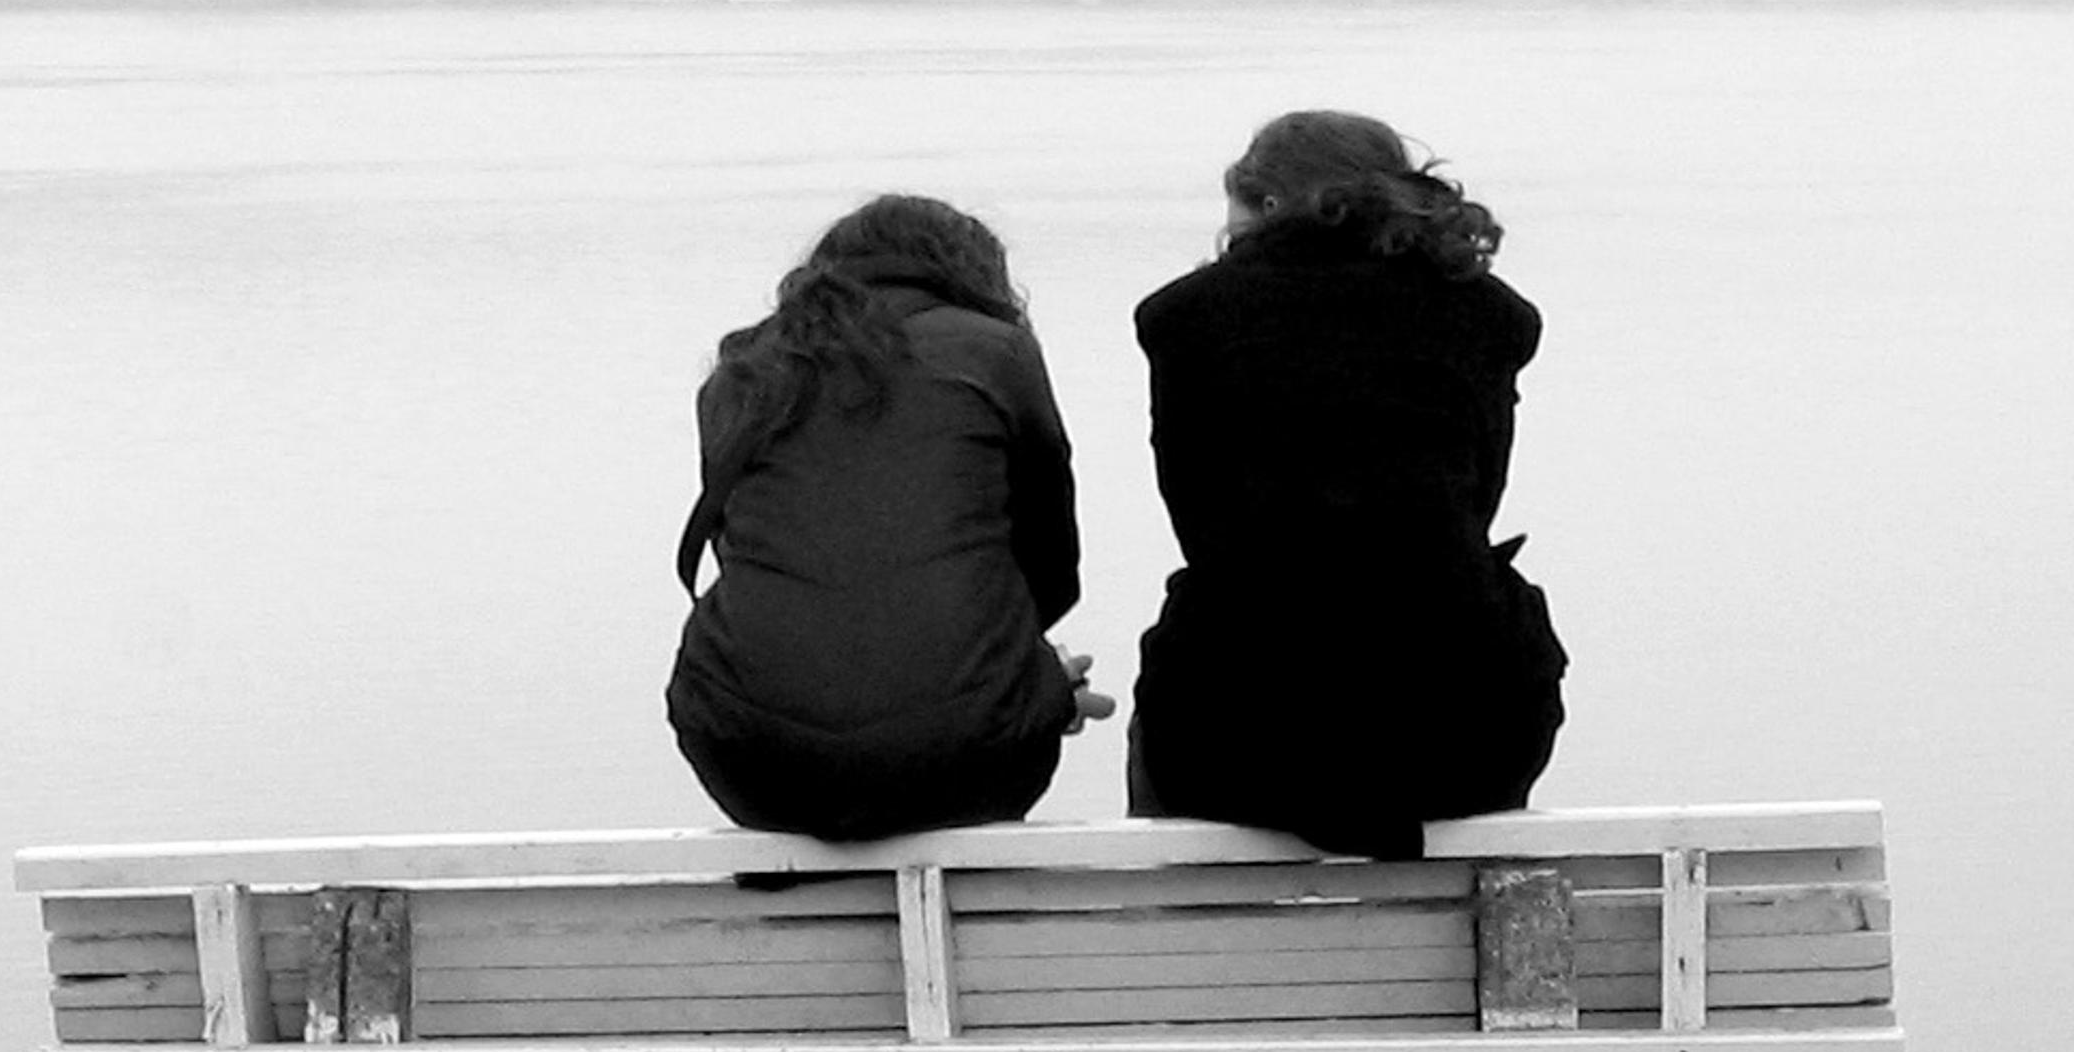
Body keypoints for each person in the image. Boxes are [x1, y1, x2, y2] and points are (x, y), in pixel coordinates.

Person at [1125, 111, 1567, 858]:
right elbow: (1474, 502)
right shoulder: (1486, 316)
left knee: (1195, 636)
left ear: (1265, 205)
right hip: (1462, 728)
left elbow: (1200, 521)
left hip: (1241, 733)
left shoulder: (1187, 318)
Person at [668, 194, 1108, 840]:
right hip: (972, 762)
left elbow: (758, 567)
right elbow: (1051, 571)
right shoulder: (996, 353)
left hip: (750, 760)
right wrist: (1019, 682)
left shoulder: (743, 375)